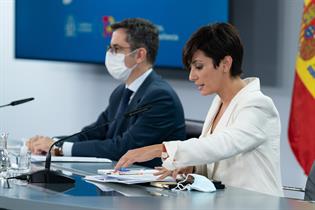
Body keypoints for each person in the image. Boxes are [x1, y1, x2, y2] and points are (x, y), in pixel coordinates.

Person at [115, 22, 283, 196]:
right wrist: (192, 166)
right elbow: (215, 159)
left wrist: (161, 149)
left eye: (199, 66)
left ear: (225, 63)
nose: (191, 76)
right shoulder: (219, 102)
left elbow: (225, 144)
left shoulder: (259, 105)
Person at [27, 18, 186, 168]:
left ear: (139, 55)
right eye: (110, 48)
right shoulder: (121, 92)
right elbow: (93, 133)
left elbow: (123, 148)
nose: (110, 54)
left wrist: (59, 149)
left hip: (151, 190)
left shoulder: (159, 97)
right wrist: (51, 143)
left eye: (116, 49)